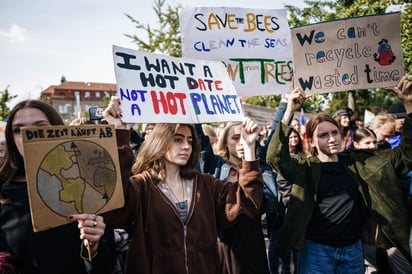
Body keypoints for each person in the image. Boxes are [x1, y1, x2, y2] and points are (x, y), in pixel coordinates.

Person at [266, 75, 412, 274]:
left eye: (334, 132)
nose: (331, 139)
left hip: (353, 249)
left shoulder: (359, 162)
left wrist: (409, 105)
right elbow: (275, 157)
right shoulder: (305, 167)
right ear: (310, 140)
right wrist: (289, 109)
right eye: (323, 135)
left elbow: (406, 155)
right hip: (316, 251)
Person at [101, 96, 264, 274]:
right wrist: (118, 133)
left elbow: (247, 203)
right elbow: (112, 207)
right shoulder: (141, 186)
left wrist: (249, 148)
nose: (186, 146)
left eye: (189, 140)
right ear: (160, 141)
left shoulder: (206, 184)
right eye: (178, 139)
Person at [0, 100, 116, 274]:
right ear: (11, 138)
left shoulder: (86, 182)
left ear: (58, 130)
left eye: (40, 126)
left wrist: (94, 246)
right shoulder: (3, 194)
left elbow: (105, 267)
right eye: (18, 130)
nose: (27, 135)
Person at [213, 121, 269, 274]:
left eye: (243, 137)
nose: (241, 142)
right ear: (224, 143)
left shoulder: (259, 169)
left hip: (252, 243)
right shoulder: (214, 169)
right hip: (226, 245)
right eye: (235, 137)